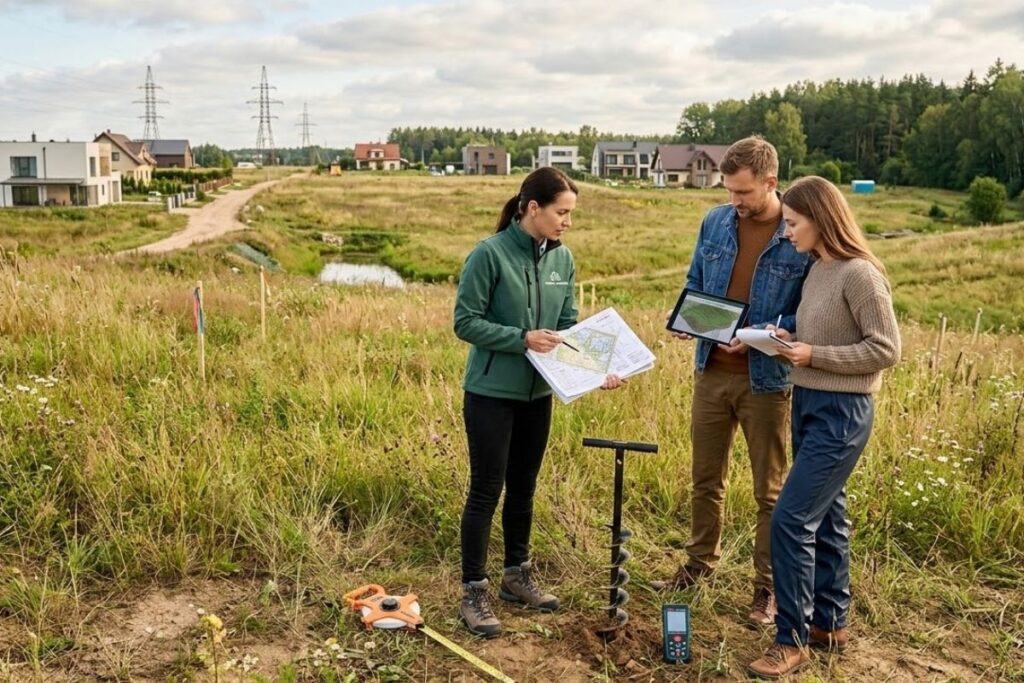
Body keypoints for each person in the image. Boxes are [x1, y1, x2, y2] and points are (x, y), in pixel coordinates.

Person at [453, 167, 622, 637]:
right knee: (486, 490)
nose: (568, 221)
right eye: (561, 212)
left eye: (570, 213)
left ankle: (515, 576)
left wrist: (598, 370)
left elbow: (568, 329)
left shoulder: (562, 260)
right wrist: (521, 339)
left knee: (524, 486)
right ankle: (473, 589)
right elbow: (465, 323)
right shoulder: (488, 255)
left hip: (538, 393)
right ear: (533, 208)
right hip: (490, 393)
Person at [746, 176, 901, 678]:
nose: (787, 232)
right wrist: (786, 334)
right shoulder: (819, 270)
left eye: (793, 223)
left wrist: (814, 354)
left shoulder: (861, 274)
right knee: (828, 516)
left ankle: (789, 640)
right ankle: (829, 624)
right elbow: (820, 332)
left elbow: (885, 349)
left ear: (821, 218)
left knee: (791, 518)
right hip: (808, 403)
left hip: (843, 413)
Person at [653, 136, 809, 627]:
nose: (734, 202)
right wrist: (688, 320)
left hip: (767, 381)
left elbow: (810, 313)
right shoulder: (715, 221)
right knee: (705, 480)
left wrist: (765, 335)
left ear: (770, 183)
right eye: (728, 191)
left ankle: (767, 589)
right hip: (711, 373)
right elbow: (696, 283)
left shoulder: (799, 233)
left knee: (770, 492)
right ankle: (699, 566)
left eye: (743, 193)